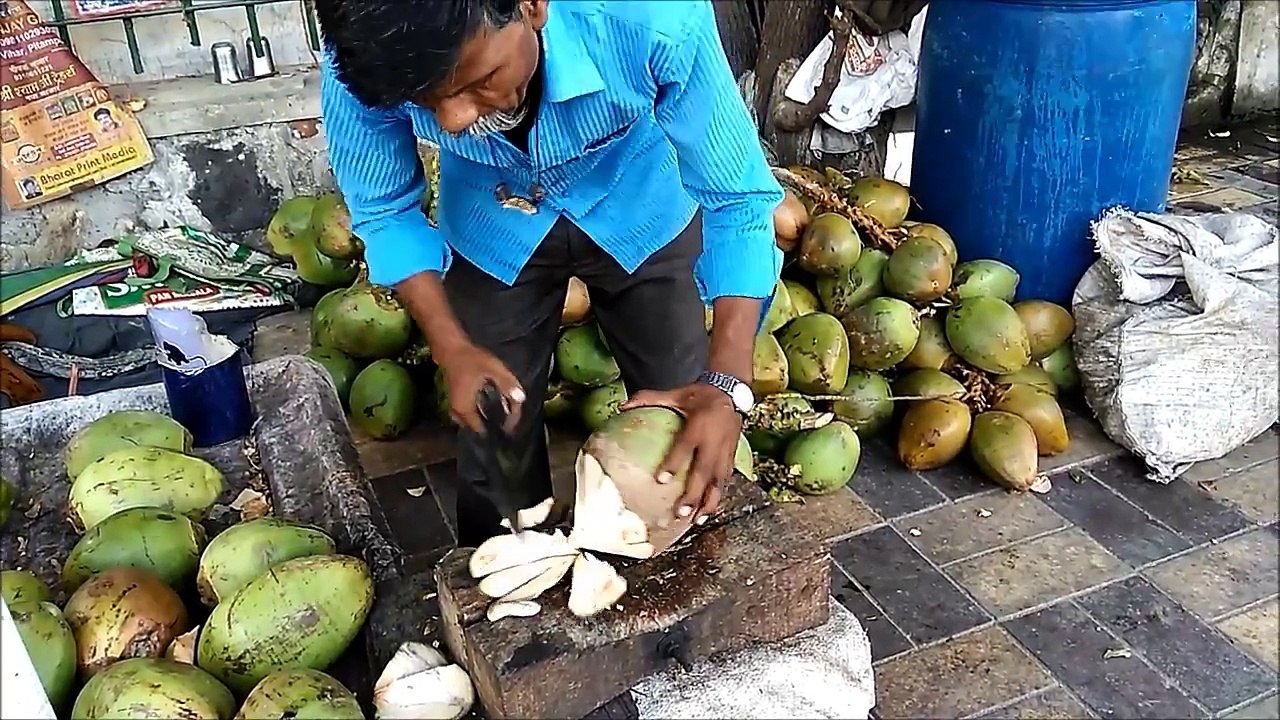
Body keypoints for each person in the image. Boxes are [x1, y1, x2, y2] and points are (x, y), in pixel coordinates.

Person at [315, 0, 780, 552]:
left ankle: (684, 567)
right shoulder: (370, 55)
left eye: (480, 80)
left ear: (530, 6)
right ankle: (505, 573)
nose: (455, 121)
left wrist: (728, 382)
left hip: (641, 209)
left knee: (682, 417)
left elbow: (740, 199)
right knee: (493, 431)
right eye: (427, 101)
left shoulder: (652, 16)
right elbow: (386, 211)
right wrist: (451, 347)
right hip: (495, 224)